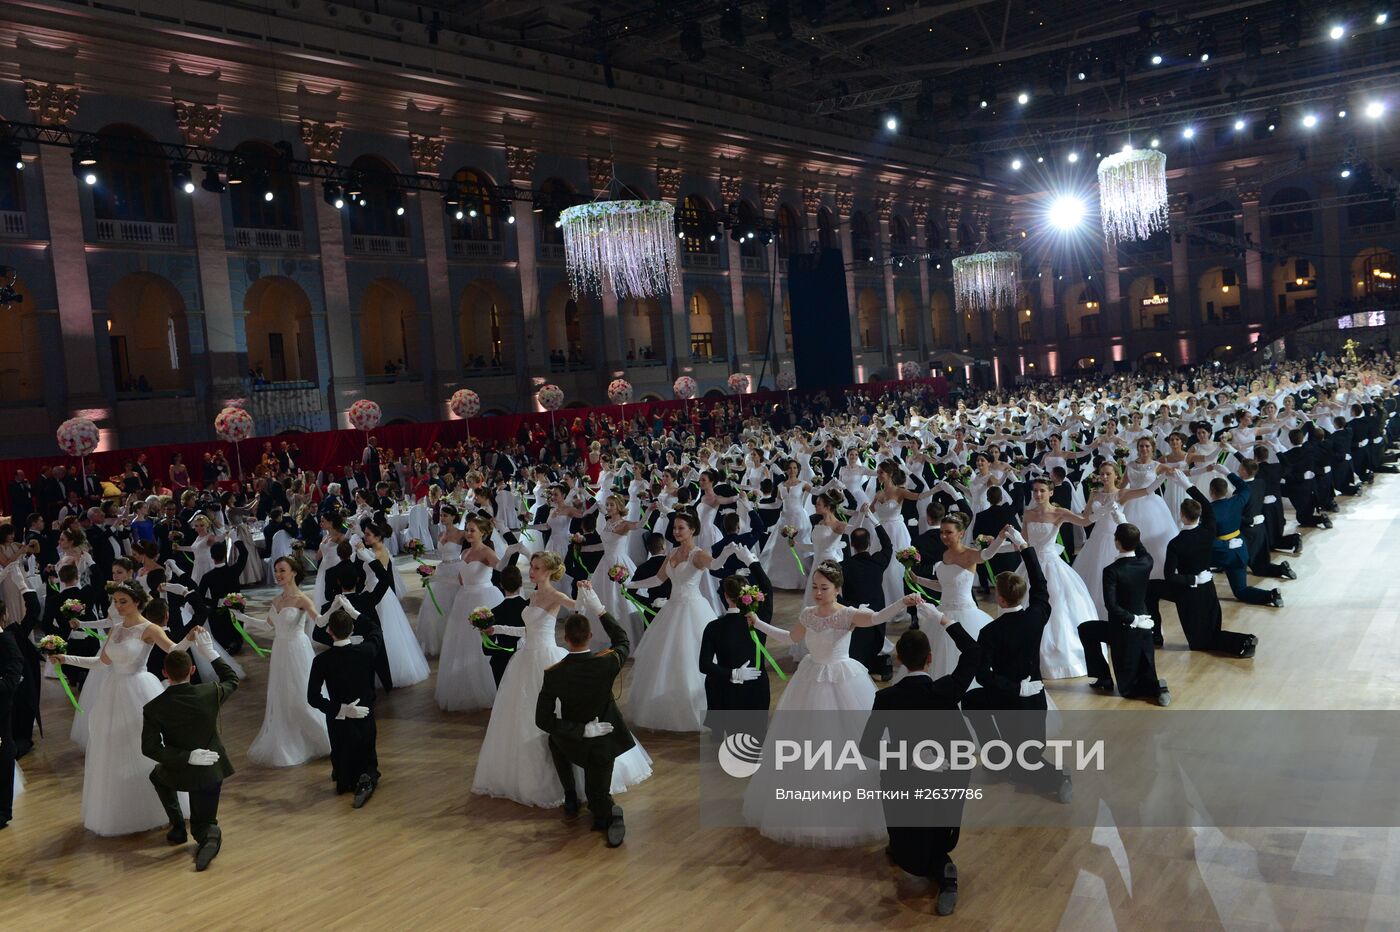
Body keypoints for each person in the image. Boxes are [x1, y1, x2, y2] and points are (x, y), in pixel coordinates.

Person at [473, 561, 651, 807]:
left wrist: (583, 591)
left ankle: (570, 783)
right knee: (520, 715)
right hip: (525, 658)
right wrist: (499, 629)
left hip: (545, 658)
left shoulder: (555, 595)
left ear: (547, 571)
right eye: (532, 567)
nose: (531, 571)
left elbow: (577, 607)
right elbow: (528, 630)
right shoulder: (533, 594)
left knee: (550, 714)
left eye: (536, 568)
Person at [53, 582, 199, 835]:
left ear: (138, 602)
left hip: (139, 689)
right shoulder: (116, 629)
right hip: (113, 691)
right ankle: (122, 809)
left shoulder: (149, 629)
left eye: (123, 601)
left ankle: (163, 806)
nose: (117, 606)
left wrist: (188, 638)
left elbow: (174, 651)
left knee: (145, 746)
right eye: (116, 601)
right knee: (114, 748)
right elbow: (101, 663)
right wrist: (65, 658)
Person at [860, 620, 980, 917]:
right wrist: (948, 623)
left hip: (906, 782)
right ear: (930, 658)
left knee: (909, 847)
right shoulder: (946, 690)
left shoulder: (886, 698)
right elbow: (974, 652)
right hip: (947, 780)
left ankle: (924, 859)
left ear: (898, 659)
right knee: (931, 837)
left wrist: (909, 758)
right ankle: (941, 867)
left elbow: (868, 746)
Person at [960, 531, 1074, 803]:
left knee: (1024, 758)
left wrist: (1013, 688)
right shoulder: (1036, 616)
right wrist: (1025, 547)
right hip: (1035, 698)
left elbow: (983, 675)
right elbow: (1041, 586)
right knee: (974, 702)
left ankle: (1056, 778)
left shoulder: (990, 631)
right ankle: (1000, 759)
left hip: (1007, 700)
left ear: (1000, 600)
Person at [534, 584, 636, 847]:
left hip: (572, 740)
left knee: (553, 741)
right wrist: (599, 609)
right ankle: (601, 809)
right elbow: (623, 640)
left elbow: (543, 720)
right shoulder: (607, 662)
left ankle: (576, 797)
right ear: (590, 636)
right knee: (598, 800)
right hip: (604, 741)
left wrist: (579, 731)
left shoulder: (554, 673)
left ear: (565, 638)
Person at [141, 626, 238, 871]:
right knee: (202, 825)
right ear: (192, 671)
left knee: (157, 776)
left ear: (165, 673)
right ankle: (205, 836)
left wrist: (186, 757)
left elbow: (150, 748)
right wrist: (210, 653)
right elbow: (232, 679)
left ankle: (177, 827)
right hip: (211, 769)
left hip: (179, 769)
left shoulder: (154, 707)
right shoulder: (210, 692)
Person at [233, 557, 331, 766]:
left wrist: (338, 608)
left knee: (302, 695)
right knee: (283, 696)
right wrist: (243, 618)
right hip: (280, 651)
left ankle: (325, 737)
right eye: (276, 571)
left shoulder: (302, 599)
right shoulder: (277, 601)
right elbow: (268, 626)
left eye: (282, 570)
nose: (278, 574)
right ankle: (290, 742)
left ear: (294, 572)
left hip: (298, 650)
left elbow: (320, 621)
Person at [1148, 473, 1257, 656]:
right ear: (1200, 515)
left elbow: (1170, 576)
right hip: (1208, 588)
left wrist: (1192, 579)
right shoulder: (1208, 531)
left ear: (1181, 516)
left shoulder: (1176, 543)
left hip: (1188, 593)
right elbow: (1208, 507)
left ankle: (1242, 641)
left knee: (1200, 643)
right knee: (1151, 588)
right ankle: (1156, 635)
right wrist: (1188, 485)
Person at [627, 512, 714, 732]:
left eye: (681, 528)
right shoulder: (673, 551)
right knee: (665, 659)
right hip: (672, 608)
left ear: (692, 529)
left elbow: (717, 566)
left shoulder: (698, 554)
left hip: (693, 609)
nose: (676, 532)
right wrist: (631, 584)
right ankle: (665, 709)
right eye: (675, 528)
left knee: (690, 659)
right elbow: (658, 579)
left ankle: (698, 710)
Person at [1076, 524, 1171, 705]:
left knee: (1085, 629)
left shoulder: (1112, 571)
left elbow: (1111, 606)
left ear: (1117, 543)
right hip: (1145, 625)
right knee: (1087, 629)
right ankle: (1105, 678)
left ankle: (1103, 677)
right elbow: (1140, 548)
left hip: (1122, 629)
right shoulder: (1146, 561)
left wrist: (1133, 620)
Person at [307, 609, 381, 808]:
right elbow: (375, 629)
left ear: (329, 632)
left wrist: (341, 709)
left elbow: (313, 698)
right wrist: (355, 612)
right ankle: (365, 777)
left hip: (338, 722)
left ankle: (348, 774)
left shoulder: (321, 661)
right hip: (365, 717)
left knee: (344, 781)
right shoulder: (366, 651)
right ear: (353, 630)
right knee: (366, 762)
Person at [698, 548, 775, 719]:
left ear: (725, 596)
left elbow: (704, 665)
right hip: (757, 689)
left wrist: (733, 673)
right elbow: (767, 587)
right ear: (748, 594)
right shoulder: (760, 619)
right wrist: (751, 561)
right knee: (755, 739)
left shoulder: (713, 627)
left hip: (725, 691)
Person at [839, 522, 895, 680]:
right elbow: (888, 545)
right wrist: (875, 522)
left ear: (851, 544)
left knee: (857, 644)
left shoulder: (844, 566)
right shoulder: (878, 561)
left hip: (854, 612)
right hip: (877, 610)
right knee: (874, 641)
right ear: (869, 543)